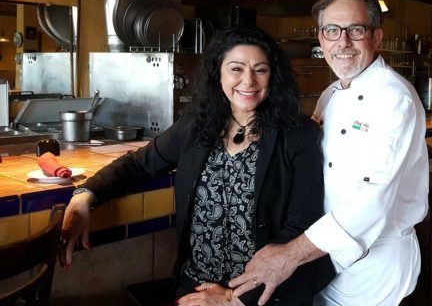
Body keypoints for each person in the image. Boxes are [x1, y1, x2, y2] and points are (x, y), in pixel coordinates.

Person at [59, 27, 335, 305]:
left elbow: (301, 226)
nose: (248, 80)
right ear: (218, 74)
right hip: (196, 286)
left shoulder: (299, 135)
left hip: (263, 294)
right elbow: (138, 164)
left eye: (260, 70)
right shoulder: (197, 124)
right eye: (236, 69)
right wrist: (85, 195)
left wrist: (233, 297)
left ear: (273, 76)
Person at [230, 0, 429, 305]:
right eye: (332, 30)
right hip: (322, 257)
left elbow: (370, 200)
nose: (343, 42)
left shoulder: (394, 98)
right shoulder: (330, 95)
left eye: (356, 30)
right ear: (321, 39)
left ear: (376, 37)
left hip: (374, 269)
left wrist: (289, 255)